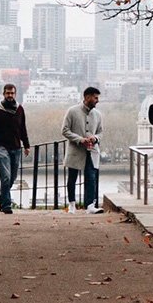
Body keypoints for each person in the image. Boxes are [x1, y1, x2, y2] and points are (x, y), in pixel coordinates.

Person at [0, 83, 31, 214]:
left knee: (13, 177)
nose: (10, 95)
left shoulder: (20, 109)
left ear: (15, 94)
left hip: (16, 147)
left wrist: (26, 145)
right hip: (2, 147)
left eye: (12, 93)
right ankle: (6, 205)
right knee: (6, 177)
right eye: (7, 93)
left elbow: (22, 129)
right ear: (3, 94)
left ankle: (0, 197)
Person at [61, 86, 104, 214]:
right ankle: (72, 204)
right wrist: (80, 139)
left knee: (91, 177)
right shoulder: (72, 111)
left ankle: (90, 205)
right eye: (95, 98)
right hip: (75, 150)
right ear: (87, 97)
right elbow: (64, 130)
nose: (97, 100)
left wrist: (95, 138)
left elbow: (101, 132)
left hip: (92, 150)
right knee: (72, 178)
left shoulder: (98, 114)